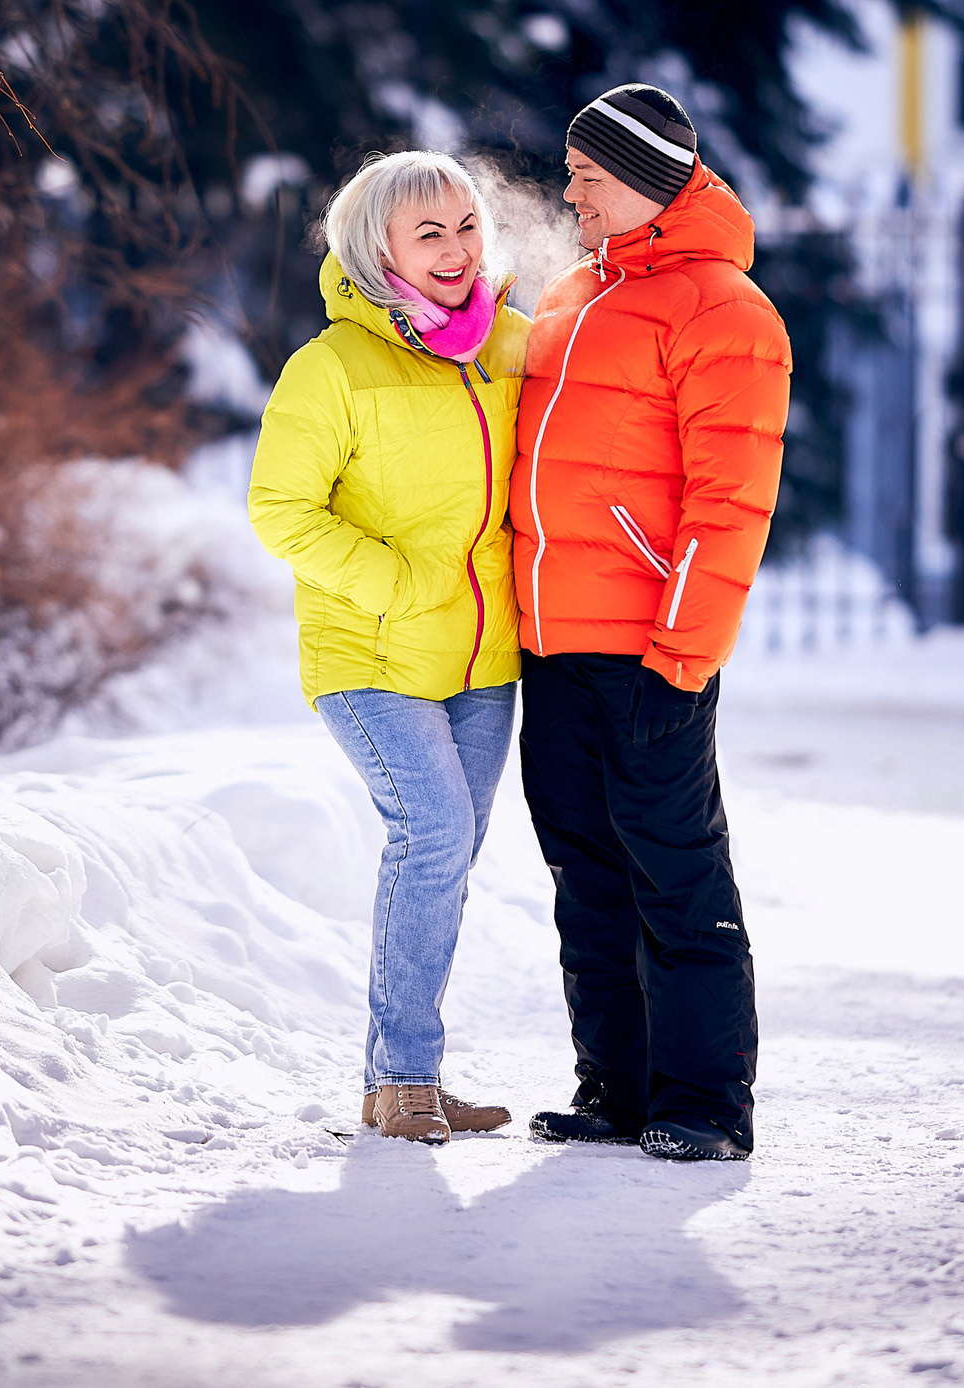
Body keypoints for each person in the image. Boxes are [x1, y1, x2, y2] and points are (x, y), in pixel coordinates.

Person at [510, 84, 790, 1162]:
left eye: (587, 175)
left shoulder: (725, 312)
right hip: (552, 643)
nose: (570, 193)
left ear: (647, 180)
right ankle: (617, 1088)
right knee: (585, 871)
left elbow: (732, 503)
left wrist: (683, 651)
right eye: (568, 174)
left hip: (648, 650)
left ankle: (707, 1104)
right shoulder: (571, 293)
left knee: (675, 872)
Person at [249, 150, 530, 1146]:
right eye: (429, 233)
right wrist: (399, 586)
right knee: (436, 835)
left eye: (467, 227)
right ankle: (405, 1075)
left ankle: (397, 1079)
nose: (456, 250)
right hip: (368, 655)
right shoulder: (331, 368)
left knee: (443, 860)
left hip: (483, 663)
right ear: (378, 251)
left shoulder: (510, 347)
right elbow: (280, 510)